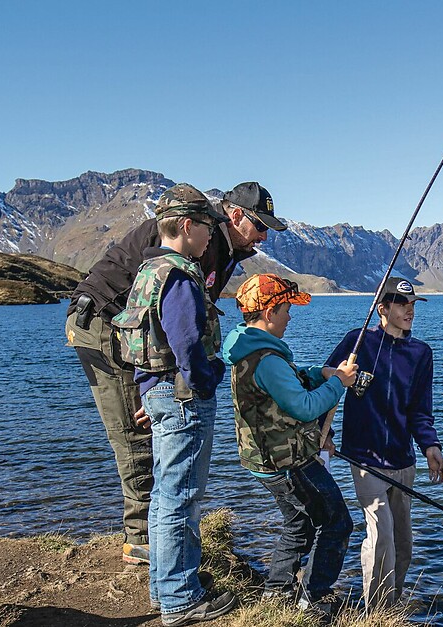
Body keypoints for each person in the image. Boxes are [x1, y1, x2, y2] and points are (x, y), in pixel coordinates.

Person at [65, 181, 286, 565]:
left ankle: (160, 536)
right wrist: (154, 386)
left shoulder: (222, 245)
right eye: (260, 225)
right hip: (102, 323)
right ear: (235, 216)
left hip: (134, 330)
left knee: (152, 415)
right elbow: (173, 325)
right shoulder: (201, 237)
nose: (264, 236)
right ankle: (142, 540)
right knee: (135, 428)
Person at [110, 183, 236, 625]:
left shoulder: (149, 271)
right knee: (182, 495)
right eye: (206, 227)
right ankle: (182, 599)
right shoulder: (180, 275)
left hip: (157, 392)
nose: (210, 237)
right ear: (187, 226)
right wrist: (208, 380)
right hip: (183, 397)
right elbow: (185, 342)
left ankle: (164, 590)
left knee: (165, 496)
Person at [223, 274, 358, 614]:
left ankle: (276, 594)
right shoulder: (267, 359)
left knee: (298, 525)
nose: (290, 317)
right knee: (338, 523)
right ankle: (313, 599)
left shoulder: (249, 351)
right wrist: (339, 383)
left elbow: (290, 380)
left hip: (265, 463)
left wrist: (320, 373)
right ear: (269, 313)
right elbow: (304, 406)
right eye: (286, 310)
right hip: (291, 463)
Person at [326, 276, 443, 611]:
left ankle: (391, 604)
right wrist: (341, 376)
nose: (409, 309)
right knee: (380, 537)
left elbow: (420, 410)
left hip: (403, 460)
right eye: (401, 303)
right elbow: (326, 377)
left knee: (403, 544)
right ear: (382, 309)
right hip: (364, 458)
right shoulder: (358, 341)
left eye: (412, 304)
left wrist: (430, 447)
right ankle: (376, 611)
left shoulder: (421, 353)